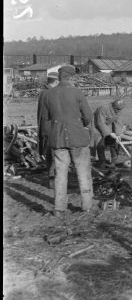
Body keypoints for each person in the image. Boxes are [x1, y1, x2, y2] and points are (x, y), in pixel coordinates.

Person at [37, 65, 95, 215]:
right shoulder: (77, 92)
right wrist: (81, 125)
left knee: (60, 174)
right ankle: (87, 206)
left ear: (60, 77)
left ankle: (59, 208)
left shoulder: (48, 95)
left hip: (58, 139)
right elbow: (88, 116)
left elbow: (44, 120)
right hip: (78, 138)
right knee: (83, 172)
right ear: (72, 77)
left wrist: (52, 135)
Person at [37, 74, 59, 187]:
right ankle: (54, 180)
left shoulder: (43, 92)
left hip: (45, 127)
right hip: (51, 127)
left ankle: (52, 180)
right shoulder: (50, 93)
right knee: (55, 154)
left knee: (50, 155)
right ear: (55, 82)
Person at [93, 98, 126, 169]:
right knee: (100, 143)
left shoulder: (119, 110)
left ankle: (113, 163)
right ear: (113, 106)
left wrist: (118, 134)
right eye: (117, 109)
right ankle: (102, 162)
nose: (119, 111)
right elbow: (100, 122)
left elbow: (118, 123)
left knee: (113, 141)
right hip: (96, 126)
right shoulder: (103, 108)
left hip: (107, 125)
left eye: (120, 109)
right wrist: (109, 133)